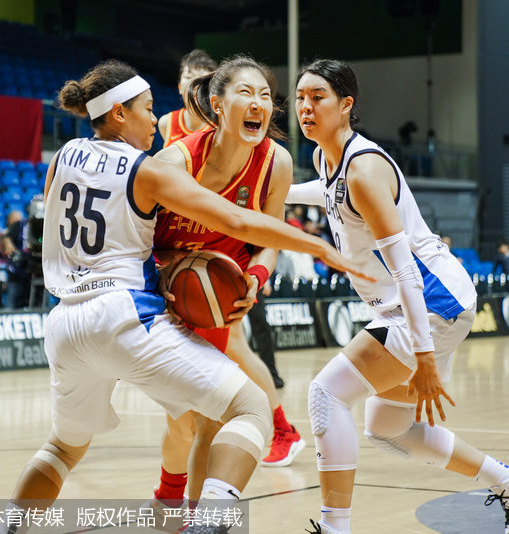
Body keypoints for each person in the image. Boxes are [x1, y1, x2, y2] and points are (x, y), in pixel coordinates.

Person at [0, 59, 364, 534]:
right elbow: (235, 222)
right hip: (126, 314)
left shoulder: (63, 155)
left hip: (65, 323)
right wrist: (318, 246)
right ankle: (206, 525)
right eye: (148, 110)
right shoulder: (148, 169)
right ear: (119, 114)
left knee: (62, 448)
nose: (157, 120)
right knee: (252, 408)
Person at [286, 59, 509, 534]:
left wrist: (424, 356)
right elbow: (328, 195)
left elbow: (408, 272)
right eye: (300, 97)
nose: (305, 107)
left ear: (346, 106)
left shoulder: (364, 170)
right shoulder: (326, 159)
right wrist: (280, 193)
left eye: (317, 97)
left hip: (432, 302)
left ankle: (335, 528)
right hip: (428, 303)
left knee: (326, 393)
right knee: (388, 430)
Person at [151, 56, 307, 512]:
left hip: (217, 298)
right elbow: (136, 234)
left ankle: (193, 518)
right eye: (246, 93)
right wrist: (161, 271)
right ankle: (166, 497)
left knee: (207, 423)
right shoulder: (175, 156)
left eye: (265, 96)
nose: (259, 103)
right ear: (217, 104)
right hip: (165, 296)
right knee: (180, 424)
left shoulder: (275, 162)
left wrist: (256, 278)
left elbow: (271, 239)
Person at [157, 49, 217, 147]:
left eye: (202, 78)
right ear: (180, 87)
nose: (195, 84)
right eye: (189, 77)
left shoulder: (220, 126)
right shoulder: (166, 123)